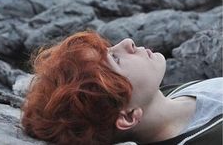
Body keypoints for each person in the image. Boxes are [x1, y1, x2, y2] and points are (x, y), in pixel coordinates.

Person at [21, 31, 223, 145]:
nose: (128, 42)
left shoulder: (169, 94)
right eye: (116, 60)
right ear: (127, 117)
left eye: (110, 49)